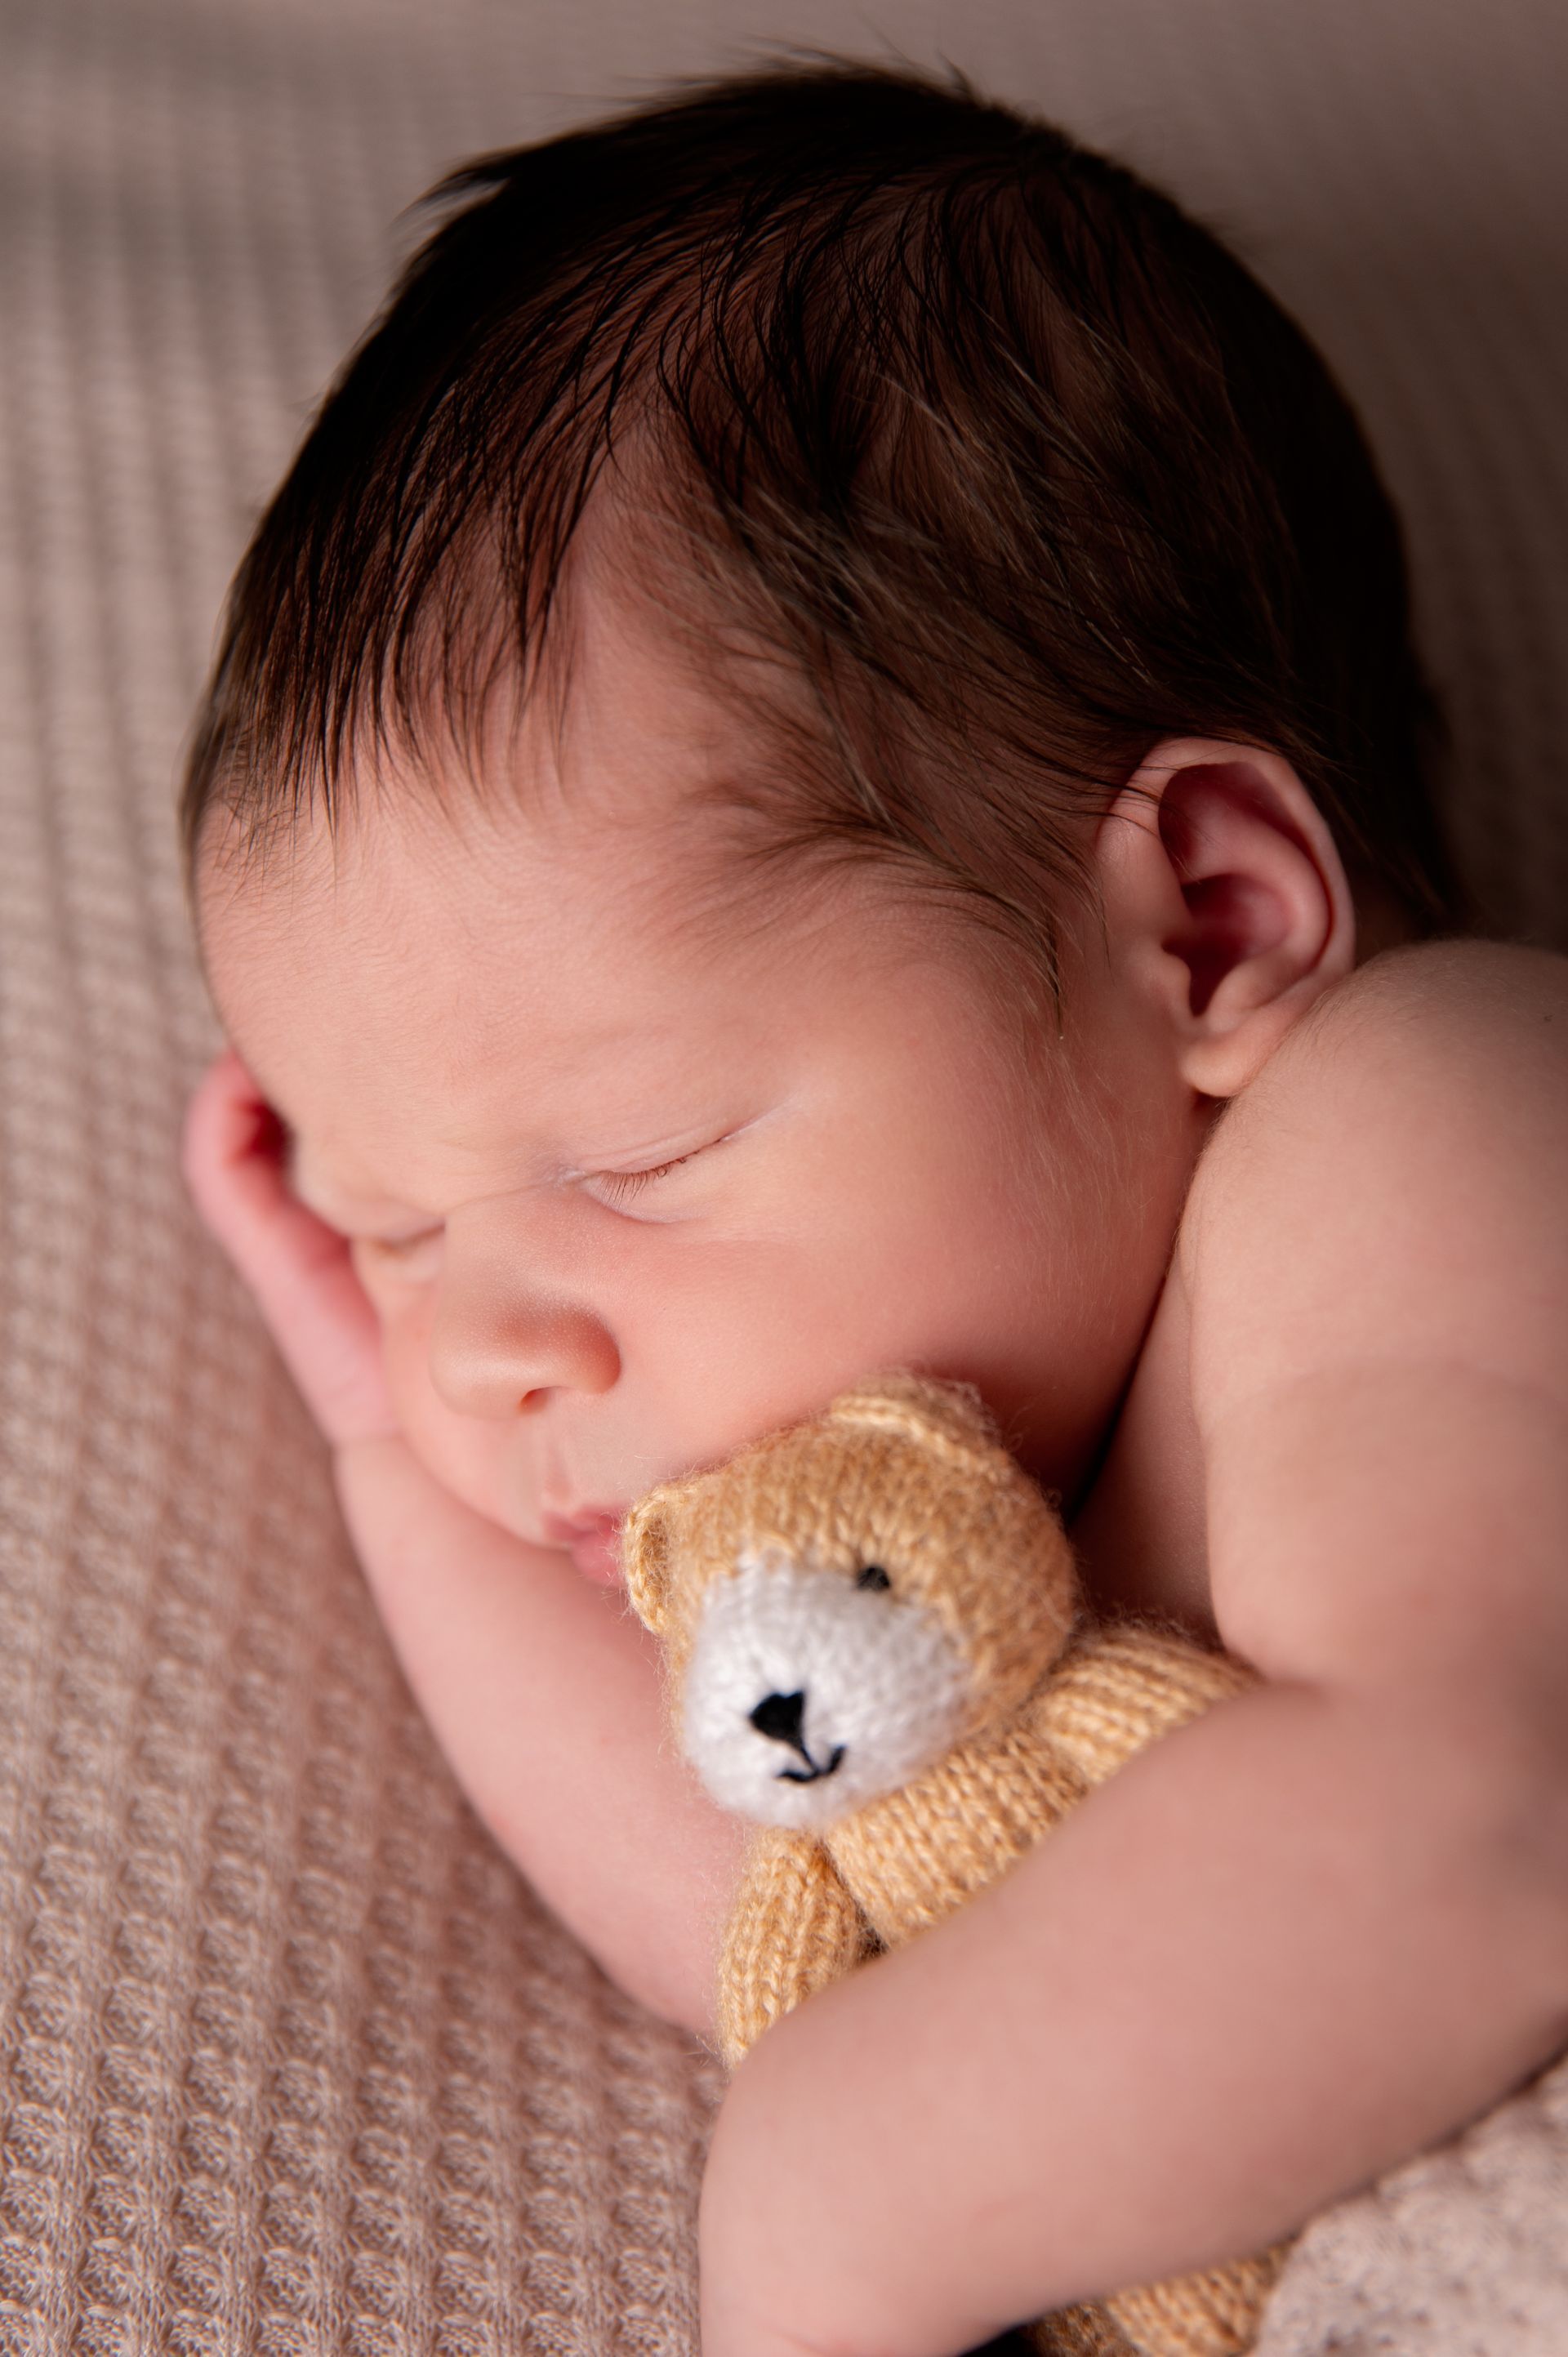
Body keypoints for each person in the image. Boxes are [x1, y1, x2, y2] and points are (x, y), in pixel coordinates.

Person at [178, 60, 1568, 2357]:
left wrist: (837, 2211)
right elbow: (771, 1923)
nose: (484, 1345)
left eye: (629, 1163)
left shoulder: (1425, 1125)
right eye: (393, 1222)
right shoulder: (955, 1548)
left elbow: (1479, 1823)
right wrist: (380, 1443)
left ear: (1208, 931)